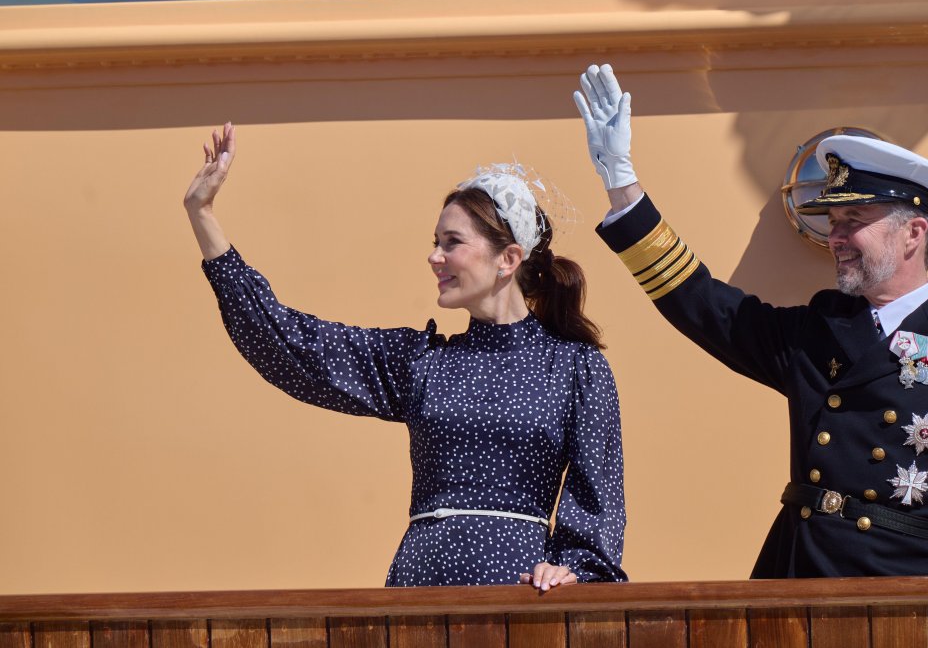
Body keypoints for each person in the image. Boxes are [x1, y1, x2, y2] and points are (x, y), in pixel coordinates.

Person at [573, 65, 928, 578]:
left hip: (907, 593)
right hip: (794, 580)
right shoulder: (818, 331)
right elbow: (706, 306)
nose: (836, 237)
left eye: (854, 222)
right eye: (832, 224)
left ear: (913, 233)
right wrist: (622, 184)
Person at [183, 123, 627, 589]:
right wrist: (203, 216)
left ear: (508, 258)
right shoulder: (422, 362)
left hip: (519, 597)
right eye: (435, 243)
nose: (435, 257)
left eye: (452, 242)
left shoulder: (576, 367)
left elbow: (597, 502)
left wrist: (574, 570)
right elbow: (291, 343)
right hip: (420, 589)